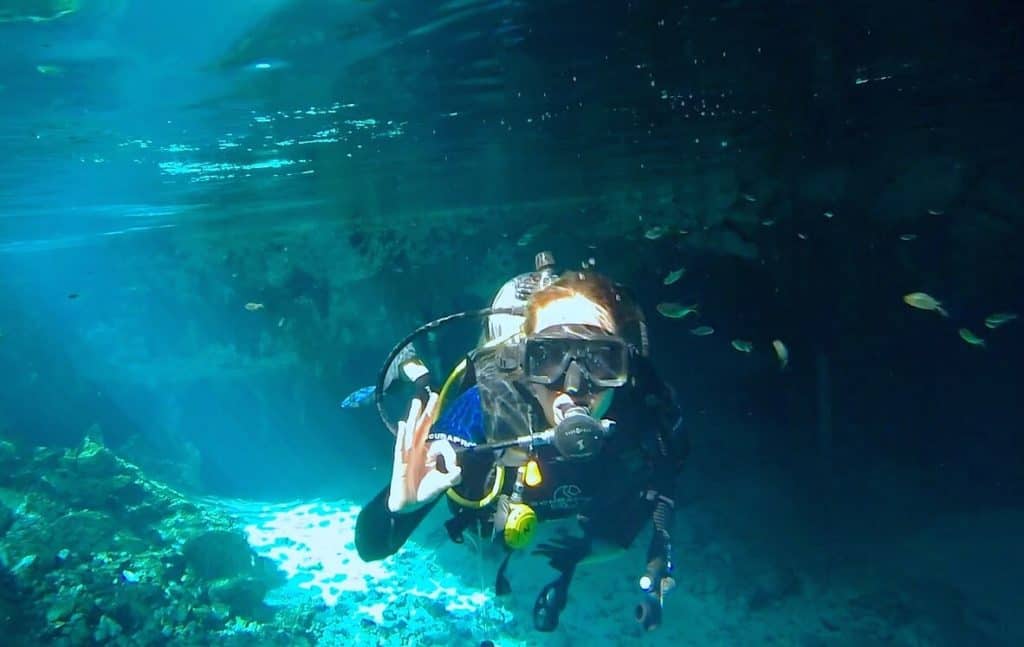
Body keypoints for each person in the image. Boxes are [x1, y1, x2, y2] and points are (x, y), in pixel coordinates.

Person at [355, 252, 688, 632]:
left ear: (624, 366)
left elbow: (665, 484)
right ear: (522, 363)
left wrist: (597, 547)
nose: (573, 385)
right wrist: (400, 508)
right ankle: (419, 377)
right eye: (549, 358)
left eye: (600, 360)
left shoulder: (643, 407)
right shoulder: (488, 408)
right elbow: (371, 546)